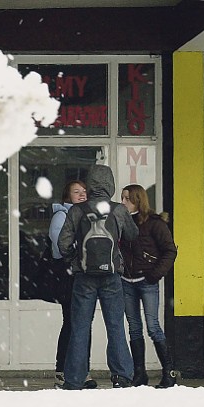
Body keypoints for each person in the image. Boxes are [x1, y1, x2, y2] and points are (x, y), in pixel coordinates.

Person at [58, 164, 138, 389]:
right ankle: (122, 376)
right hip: (112, 276)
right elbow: (133, 234)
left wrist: (75, 259)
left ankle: (74, 378)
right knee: (115, 326)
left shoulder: (77, 210)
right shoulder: (119, 210)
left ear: (89, 184)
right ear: (110, 184)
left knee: (80, 327)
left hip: (84, 277)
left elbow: (63, 243)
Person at [120, 184, 178, 388]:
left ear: (138, 199)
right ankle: (140, 374)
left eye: (127, 198)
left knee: (153, 327)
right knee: (134, 329)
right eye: (122, 198)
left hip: (147, 282)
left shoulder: (154, 223)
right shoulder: (120, 221)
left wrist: (155, 275)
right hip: (126, 281)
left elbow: (170, 251)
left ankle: (169, 372)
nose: (123, 202)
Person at [48, 180, 97, 389]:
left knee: (83, 324)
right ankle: (63, 371)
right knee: (71, 323)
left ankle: (82, 371)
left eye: (84, 191)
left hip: (84, 274)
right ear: (67, 196)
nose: (81, 194)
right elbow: (61, 247)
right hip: (68, 275)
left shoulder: (89, 214)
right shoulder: (61, 216)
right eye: (76, 192)